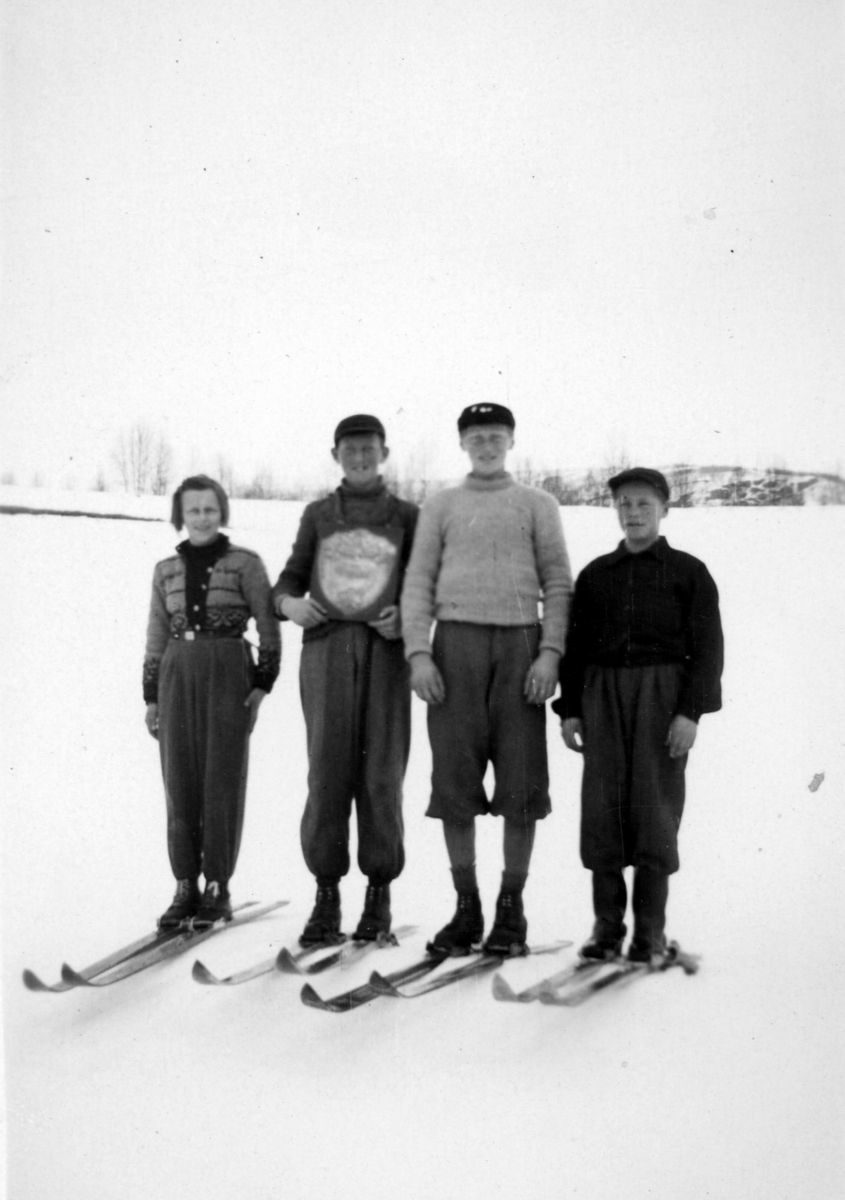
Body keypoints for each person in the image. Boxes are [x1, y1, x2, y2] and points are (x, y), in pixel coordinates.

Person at [401, 403, 573, 956]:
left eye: (496, 436)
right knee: (455, 784)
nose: (487, 445)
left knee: (521, 787)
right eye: (476, 437)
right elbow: (418, 582)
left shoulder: (536, 505)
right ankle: (466, 907)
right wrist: (419, 655)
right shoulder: (442, 505)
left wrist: (550, 655)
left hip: (521, 648)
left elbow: (558, 582)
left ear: (512, 440)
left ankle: (510, 909)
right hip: (455, 651)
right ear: (463, 443)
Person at [552, 467, 723, 964]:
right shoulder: (596, 574)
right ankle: (607, 928)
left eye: (643, 503)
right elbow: (575, 647)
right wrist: (570, 709)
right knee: (602, 808)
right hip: (603, 694)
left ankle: (648, 932)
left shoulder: (689, 571)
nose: (633, 512)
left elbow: (708, 648)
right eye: (624, 503)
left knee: (654, 807)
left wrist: (689, 711)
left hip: (662, 695)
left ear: (665, 508)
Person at [272, 415, 419, 945]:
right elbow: (290, 575)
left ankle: (379, 893)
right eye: (350, 449)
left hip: (386, 658)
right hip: (328, 654)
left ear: (384, 452)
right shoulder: (319, 515)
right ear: (335, 453)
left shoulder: (406, 515)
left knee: (381, 773)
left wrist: (406, 615)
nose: (360, 457)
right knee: (327, 772)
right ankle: (326, 893)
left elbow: (425, 582)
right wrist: (288, 603)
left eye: (369, 448)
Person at [143, 475, 281, 929]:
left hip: (227, 668)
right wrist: (151, 695)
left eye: (209, 509)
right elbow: (157, 632)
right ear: (179, 516)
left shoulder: (245, 564)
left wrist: (262, 681)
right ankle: (185, 883)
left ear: (222, 512)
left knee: (221, 777)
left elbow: (268, 623)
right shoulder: (165, 569)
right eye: (192, 510)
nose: (201, 518)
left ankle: (217, 884)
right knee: (179, 779)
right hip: (177, 671)